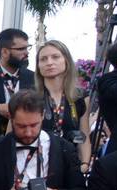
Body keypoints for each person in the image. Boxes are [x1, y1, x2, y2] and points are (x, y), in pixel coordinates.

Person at [36, 39, 91, 172]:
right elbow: (11, 135)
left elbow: (84, 135)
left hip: (70, 165)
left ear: (66, 60)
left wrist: (84, 164)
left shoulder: (79, 97)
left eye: (55, 57)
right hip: (37, 164)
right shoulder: (29, 97)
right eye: (43, 59)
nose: (49, 62)